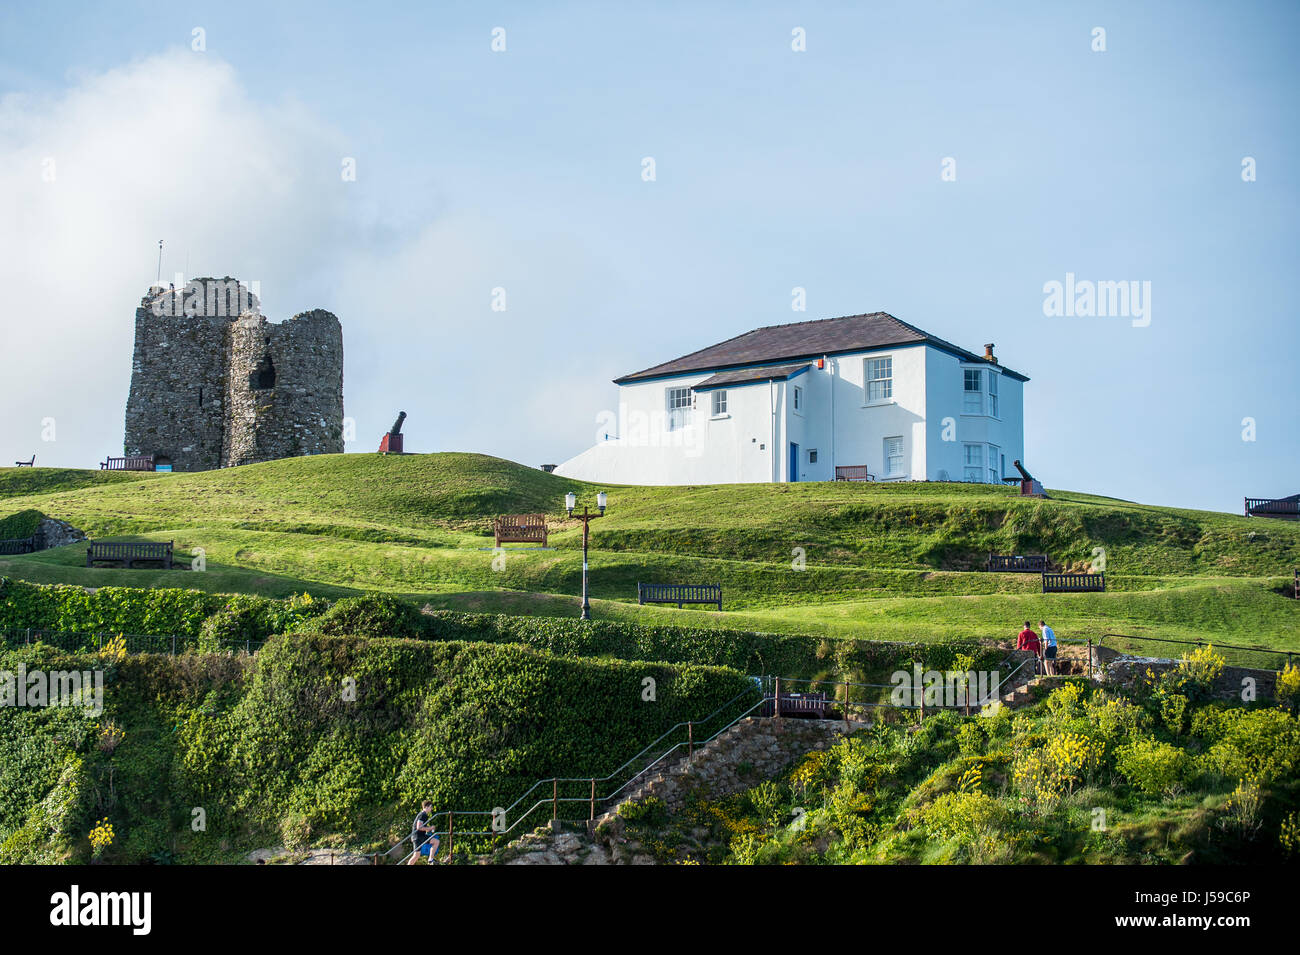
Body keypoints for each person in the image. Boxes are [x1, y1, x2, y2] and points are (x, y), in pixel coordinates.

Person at [407, 800, 440, 865]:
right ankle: (430, 859)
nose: (431, 809)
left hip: (419, 836)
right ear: (426, 807)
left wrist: (429, 829)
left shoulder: (423, 814)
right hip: (418, 837)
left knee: (416, 855)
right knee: (416, 855)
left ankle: (430, 859)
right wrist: (430, 828)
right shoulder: (423, 815)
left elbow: (422, 827)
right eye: (430, 807)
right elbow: (419, 827)